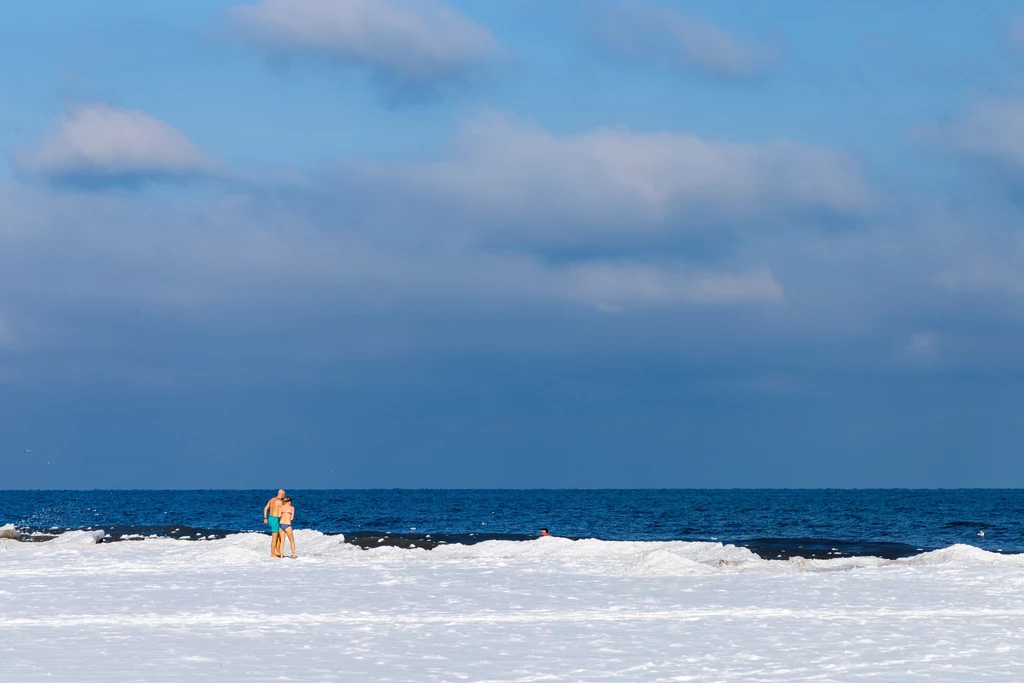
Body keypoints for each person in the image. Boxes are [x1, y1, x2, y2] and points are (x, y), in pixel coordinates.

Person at [263, 489, 285, 558]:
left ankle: (277, 552)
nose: (284, 496)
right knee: (275, 537)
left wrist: (265, 518)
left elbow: (265, 508)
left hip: (270, 518)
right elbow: (281, 512)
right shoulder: (279, 502)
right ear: (282, 494)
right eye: (284, 495)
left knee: (279, 536)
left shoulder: (271, 500)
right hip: (276, 519)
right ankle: (273, 554)